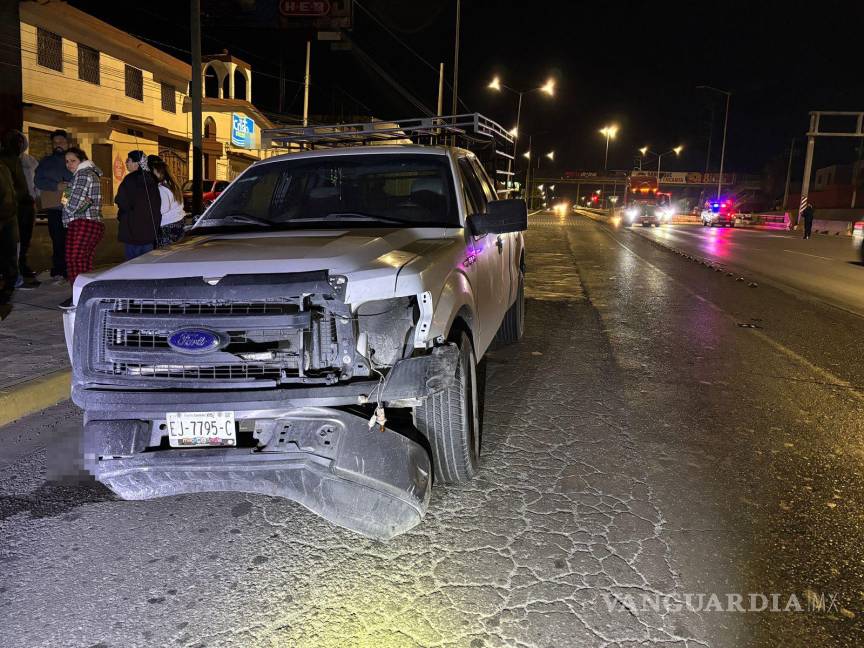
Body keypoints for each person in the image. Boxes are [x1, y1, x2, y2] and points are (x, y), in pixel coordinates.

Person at [60, 147, 103, 307]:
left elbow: (71, 204)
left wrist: (66, 205)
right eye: (67, 161)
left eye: (73, 160)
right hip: (91, 223)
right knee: (84, 262)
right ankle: (87, 297)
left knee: (74, 260)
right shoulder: (88, 174)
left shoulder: (83, 174)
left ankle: (78, 297)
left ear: (82, 160)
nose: (69, 164)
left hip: (83, 222)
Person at [34, 129, 73, 280]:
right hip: (55, 208)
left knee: (72, 240)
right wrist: (56, 186)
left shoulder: (74, 159)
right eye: (55, 142)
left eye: (61, 142)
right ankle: (58, 269)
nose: (58, 145)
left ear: (67, 143)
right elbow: (38, 180)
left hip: (73, 209)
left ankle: (72, 268)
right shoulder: (46, 162)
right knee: (57, 239)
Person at [115, 150, 160, 260]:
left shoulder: (130, 179)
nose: (126, 163)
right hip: (149, 230)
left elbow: (121, 201)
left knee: (132, 264)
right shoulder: (152, 179)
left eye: (129, 160)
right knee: (148, 263)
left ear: (137, 163)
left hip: (133, 230)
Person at [147, 155, 185, 246]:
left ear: (158, 173)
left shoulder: (161, 188)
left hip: (168, 225)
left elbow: (163, 209)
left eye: (153, 172)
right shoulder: (173, 185)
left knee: (164, 254)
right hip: (179, 221)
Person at [18, 134, 38, 279]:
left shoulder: (30, 161)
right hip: (10, 204)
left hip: (28, 204)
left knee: (25, 237)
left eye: (20, 141)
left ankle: (22, 264)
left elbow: (37, 182)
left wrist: (36, 197)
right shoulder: (5, 161)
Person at [0, 159, 17, 305]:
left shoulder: (4, 166)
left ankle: (8, 286)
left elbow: (10, 191)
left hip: (8, 216)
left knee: (9, 252)